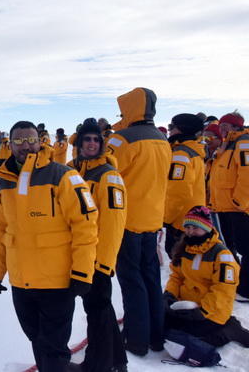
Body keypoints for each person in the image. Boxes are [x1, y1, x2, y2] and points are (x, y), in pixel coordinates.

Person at [0, 120, 98, 372]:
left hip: (56, 281)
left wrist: (83, 272)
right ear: (10, 144)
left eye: (30, 139)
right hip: (21, 281)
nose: (25, 145)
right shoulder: (3, 182)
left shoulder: (64, 176)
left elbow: (86, 227)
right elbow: (0, 231)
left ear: (40, 141)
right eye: (18, 141)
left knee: (54, 345)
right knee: (36, 338)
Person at [107, 87, 172, 356]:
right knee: (150, 279)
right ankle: (156, 336)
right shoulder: (161, 139)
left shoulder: (122, 140)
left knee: (132, 282)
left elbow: (105, 173)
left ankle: (135, 340)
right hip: (152, 220)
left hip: (127, 222)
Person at [69, 119, 128, 372]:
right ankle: (117, 361)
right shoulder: (70, 171)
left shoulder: (109, 175)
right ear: (80, 143)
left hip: (95, 258)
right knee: (100, 309)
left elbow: (115, 223)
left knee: (97, 310)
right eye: (87, 139)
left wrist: (104, 263)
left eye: (96, 139)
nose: (91, 143)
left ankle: (97, 365)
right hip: (75, 253)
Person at [164, 206, 249, 348]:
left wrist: (203, 311)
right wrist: (169, 294)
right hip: (185, 307)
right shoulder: (184, 249)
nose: (190, 232)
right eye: (188, 227)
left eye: (195, 228)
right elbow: (176, 277)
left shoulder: (222, 255)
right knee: (162, 325)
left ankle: (230, 330)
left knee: (193, 338)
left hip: (211, 312)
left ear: (207, 228)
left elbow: (223, 290)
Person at [209, 111, 249, 301]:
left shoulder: (243, 143)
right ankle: (237, 280)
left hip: (238, 208)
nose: (222, 128)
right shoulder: (228, 144)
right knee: (232, 245)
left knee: (246, 247)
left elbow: (247, 175)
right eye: (221, 125)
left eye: (227, 125)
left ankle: (246, 289)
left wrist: (240, 201)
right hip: (225, 206)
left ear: (236, 127)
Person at [163, 114, 206, 257]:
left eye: (172, 127)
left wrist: (167, 218)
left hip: (182, 221)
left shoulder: (181, 153)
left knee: (181, 262)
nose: (169, 130)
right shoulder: (195, 151)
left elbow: (178, 191)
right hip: (195, 216)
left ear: (182, 129)